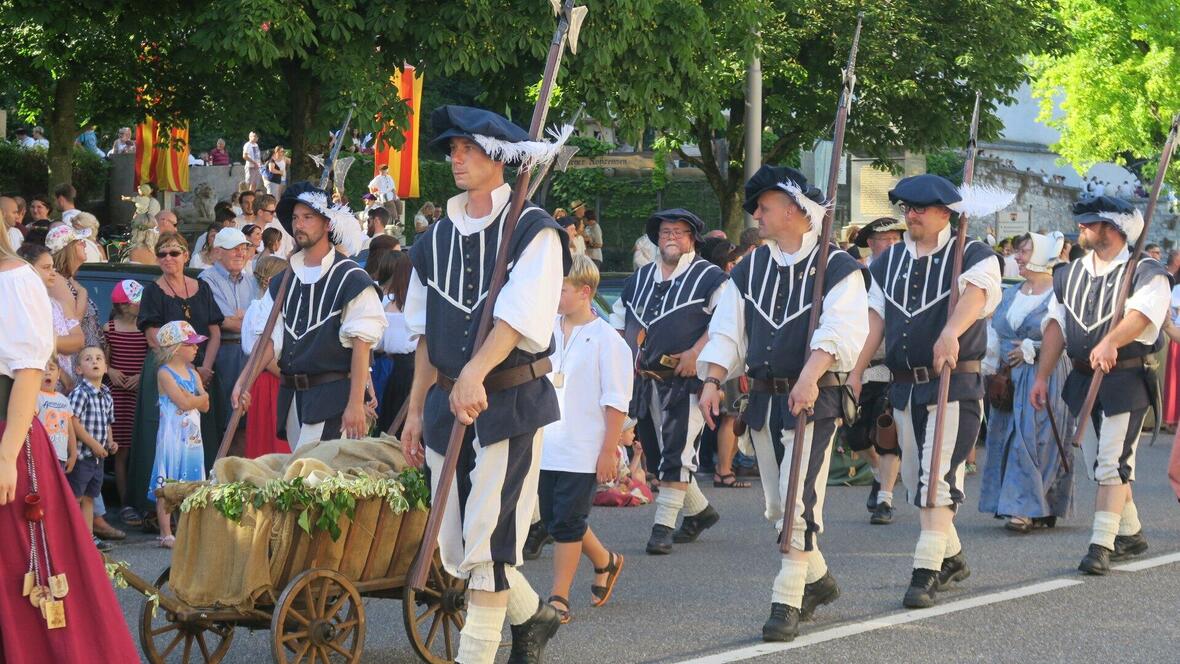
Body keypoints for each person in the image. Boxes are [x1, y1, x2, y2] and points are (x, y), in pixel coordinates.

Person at [400, 105, 572, 663]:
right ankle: (533, 616)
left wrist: (476, 371)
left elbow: (521, 319)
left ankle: (472, 657)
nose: (455, 158)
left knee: (490, 538)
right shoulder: (432, 241)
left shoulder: (533, 230)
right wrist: (416, 411)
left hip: (510, 398)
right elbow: (424, 334)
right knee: (455, 540)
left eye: (467, 149)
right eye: (452, 150)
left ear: (499, 158)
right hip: (447, 399)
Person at [698, 166, 868, 641]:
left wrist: (811, 377)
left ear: (794, 210)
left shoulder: (838, 268)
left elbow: (840, 330)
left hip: (814, 397)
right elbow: (729, 330)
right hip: (765, 399)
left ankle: (787, 597)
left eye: (764, 206)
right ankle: (818, 581)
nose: (756, 214)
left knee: (798, 499)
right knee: (776, 504)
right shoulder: (750, 268)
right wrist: (713, 379)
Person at [851, 174, 1002, 608]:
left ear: (946, 213)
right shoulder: (888, 261)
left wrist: (951, 331)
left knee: (938, 479)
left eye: (920, 208)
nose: (911, 215)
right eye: (907, 208)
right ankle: (951, 557)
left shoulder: (973, 255)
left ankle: (925, 571)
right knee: (920, 483)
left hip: (954, 385)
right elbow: (875, 318)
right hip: (903, 387)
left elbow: (976, 296)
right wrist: (858, 369)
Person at [0, 229, 139, 662]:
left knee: (22, 571)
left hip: (9, 434)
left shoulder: (15, 278)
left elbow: (26, 372)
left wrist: (7, 456)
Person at [1030, 196, 1169, 574]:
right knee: (1097, 465)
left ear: (1111, 229)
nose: (1081, 229)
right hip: (1081, 378)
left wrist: (1112, 341)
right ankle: (1131, 531)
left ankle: (1100, 544)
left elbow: (1141, 316)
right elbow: (1056, 325)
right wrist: (1042, 376)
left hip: (1125, 378)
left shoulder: (1146, 272)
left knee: (1112, 462)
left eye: (1089, 223)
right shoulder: (1068, 274)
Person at [611, 208, 728, 556]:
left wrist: (696, 352)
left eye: (679, 232)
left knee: (677, 452)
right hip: (645, 382)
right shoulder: (640, 278)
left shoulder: (711, 278)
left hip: (686, 383)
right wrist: (621, 361)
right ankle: (700, 513)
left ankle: (661, 527)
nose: (671, 237)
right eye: (665, 232)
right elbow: (619, 320)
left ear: (692, 238)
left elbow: (725, 324)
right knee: (659, 455)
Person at [234, 181, 383, 448]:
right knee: (298, 480)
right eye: (294, 218)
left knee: (320, 482)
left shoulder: (351, 278)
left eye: (308, 217)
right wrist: (245, 380)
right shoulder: (283, 280)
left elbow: (362, 344)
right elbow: (269, 339)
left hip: (333, 400)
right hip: (293, 399)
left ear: (327, 224)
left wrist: (355, 404)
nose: (299, 225)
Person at [539, 256, 631, 624]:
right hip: (546, 444)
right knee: (553, 520)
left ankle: (558, 597)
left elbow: (616, 401)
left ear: (584, 292)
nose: (555, 296)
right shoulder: (544, 329)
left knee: (567, 523)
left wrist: (608, 450)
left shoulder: (608, 340)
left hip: (583, 448)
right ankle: (605, 561)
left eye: (560, 289)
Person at [980, 232, 1075, 532]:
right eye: (1019, 252)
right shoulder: (1009, 293)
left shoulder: (1058, 296)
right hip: (1008, 377)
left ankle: (1026, 506)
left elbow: (1068, 334)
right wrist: (989, 367)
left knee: (1036, 440)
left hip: (1044, 374)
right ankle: (1018, 504)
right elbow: (995, 332)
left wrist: (1033, 348)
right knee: (1006, 436)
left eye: (1024, 252)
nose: (1017, 258)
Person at [128, 232, 223, 520]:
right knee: (160, 436)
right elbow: (152, 335)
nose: (168, 258)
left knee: (201, 433)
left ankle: (199, 503)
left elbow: (215, 331)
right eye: (162, 254)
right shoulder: (153, 291)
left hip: (199, 367)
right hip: (165, 367)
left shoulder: (202, 287)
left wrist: (203, 367)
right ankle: (154, 508)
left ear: (185, 255)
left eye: (174, 252)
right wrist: (180, 367)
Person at [845, 216, 906, 523]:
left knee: (887, 431)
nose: (894, 244)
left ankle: (885, 498)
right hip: (857, 364)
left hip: (889, 365)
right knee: (856, 436)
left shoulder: (906, 274)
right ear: (871, 243)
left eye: (898, 238)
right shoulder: (853, 275)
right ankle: (876, 472)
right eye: (887, 239)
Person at [149, 321, 211, 548]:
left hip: (193, 439)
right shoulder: (164, 373)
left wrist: (193, 399)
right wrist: (194, 399)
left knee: (192, 480)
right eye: (191, 344)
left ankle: (188, 529)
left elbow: (205, 405)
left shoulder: (194, 374)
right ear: (175, 348)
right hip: (172, 439)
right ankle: (166, 532)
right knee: (168, 482)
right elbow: (185, 402)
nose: (196, 348)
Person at [200, 227, 258, 457]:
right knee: (227, 425)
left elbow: (257, 321)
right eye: (234, 249)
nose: (240, 253)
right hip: (224, 357)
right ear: (217, 253)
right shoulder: (207, 279)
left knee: (246, 424)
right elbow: (225, 322)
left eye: (243, 248)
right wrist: (244, 318)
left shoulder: (251, 280)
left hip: (248, 355)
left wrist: (240, 318)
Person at [104, 280, 147, 525]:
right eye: (136, 300)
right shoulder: (109, 328)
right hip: (117, 396)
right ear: (123, 305)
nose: (140, 304)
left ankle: (140, 499)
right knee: (121, 451)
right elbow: (102, 360)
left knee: (137, 450)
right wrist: (110, 371)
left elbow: (151, 359)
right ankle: (125, 503)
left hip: (137, 395)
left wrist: (141, 377)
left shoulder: (145, 329)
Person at [68, 346, 117, 550]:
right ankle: (71, 535)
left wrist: (110, 442)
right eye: (88, 359)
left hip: (98, 458)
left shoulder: (106, 394)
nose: (94, 361)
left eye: (99, 358)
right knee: (76, 497)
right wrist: (94, 444)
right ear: (79, 369)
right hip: (82, 456)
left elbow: (107, 423)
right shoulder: (80, 393)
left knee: (90, 498)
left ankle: (87, 538)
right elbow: (73, 422)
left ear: (105, 367)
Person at [18, 243, 84, 392]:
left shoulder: (59, 306)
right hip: (35, 386)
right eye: (46, 268)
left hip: (63, 390)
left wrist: (46, 342)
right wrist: (58, 345)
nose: (53, 272)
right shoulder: (22, 305)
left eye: (53, 267)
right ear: (28, 270)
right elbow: (28, 345)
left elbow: (79, 341)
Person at [241, 257, 290, 458]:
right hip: (267, 379)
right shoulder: (259, 310)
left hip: (278, 379)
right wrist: (287, 377)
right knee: (269, 441)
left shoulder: (279, 309)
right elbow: (264, 356)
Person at [374, 251, 417, 433]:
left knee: (389, 419)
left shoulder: (383, 303)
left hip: (388, 367)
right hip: (403, 369)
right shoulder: (412, 306)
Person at [256, 193, 296, 258]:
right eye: (271, 212)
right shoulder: (249, 230)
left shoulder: (278, 225)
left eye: (274, 211)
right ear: (260, 212)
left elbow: (287, 249)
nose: (274, 214)